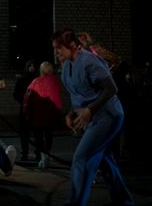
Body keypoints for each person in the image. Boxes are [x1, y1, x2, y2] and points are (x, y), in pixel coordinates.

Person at [51, 28, 135, 206]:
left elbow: (111, 89)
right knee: (106, 163)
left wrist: (90, 109)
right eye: (54, 48)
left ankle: (74, 202)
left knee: (82, 158)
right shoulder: (67, 66)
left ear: (72, 45)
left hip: (108, 115)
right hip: (94, 118)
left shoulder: (89, 61)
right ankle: (124, 201)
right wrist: (72, 113)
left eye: (59, 47)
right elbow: (80, 94)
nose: (56, 51)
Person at [22, 61, 62, 169]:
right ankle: (46, 153)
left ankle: (42, 155)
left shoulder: (36, 82)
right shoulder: (54, 82)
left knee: (38, 136)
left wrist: (27, 114)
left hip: (37, 115)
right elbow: (57, 99)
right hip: (50, 116)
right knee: (48, 135)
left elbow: (28, 99)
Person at [13, 60, 38, 161]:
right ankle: (25, 153)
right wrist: (23, 100)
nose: (32, 68)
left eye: (33, 66)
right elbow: (15, 94)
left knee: (37, 132)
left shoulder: (38, 80)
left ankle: (38, 153)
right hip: (24, 110)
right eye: (30, 66)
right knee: (24, 133)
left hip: (36, 110)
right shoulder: (22, 80)